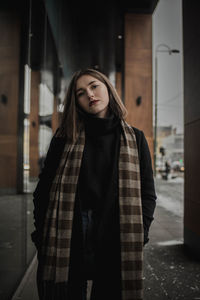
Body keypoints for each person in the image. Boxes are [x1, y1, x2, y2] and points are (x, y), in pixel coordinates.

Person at [31, 68, 157, 300]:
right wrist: (41, 235)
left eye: (94, 86)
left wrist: (142, 232)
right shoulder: (63, 138)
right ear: (76, 102)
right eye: (81, 92)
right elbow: (43, 191)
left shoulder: (135, 138)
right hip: (71, 231)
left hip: (115, 232)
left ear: (108, 89)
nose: (89, 94)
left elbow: (147, 193)